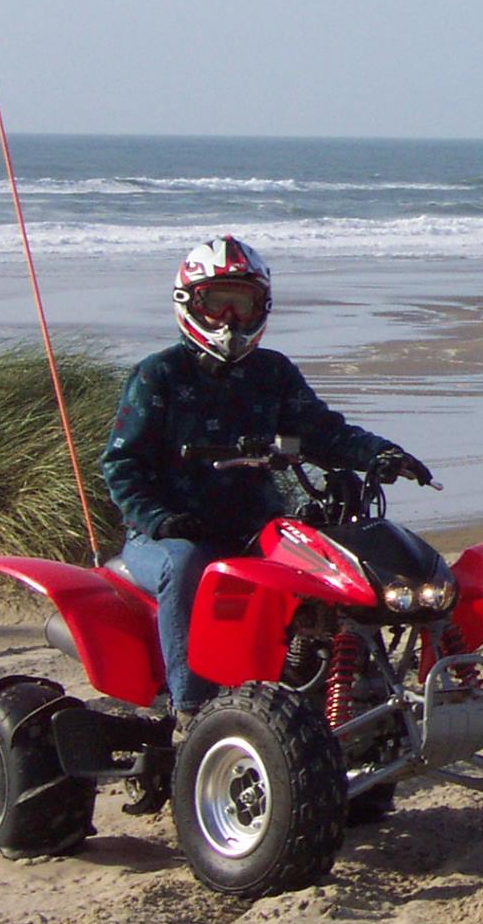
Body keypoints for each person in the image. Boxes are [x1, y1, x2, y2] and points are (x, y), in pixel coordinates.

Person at [101, 236, 431, 722]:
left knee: (335, 569)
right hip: (166, 538)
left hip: (255, 530)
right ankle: (190, 711)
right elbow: (121, 465)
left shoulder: (272, 372)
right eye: (217, 303)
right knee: (189, 565)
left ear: (262, 306)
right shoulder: (159, 375)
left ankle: (348, 693)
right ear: (190, 304)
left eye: (243, 302)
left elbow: (324, 432)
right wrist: (160, 519)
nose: (230, 317)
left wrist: (381, 454)